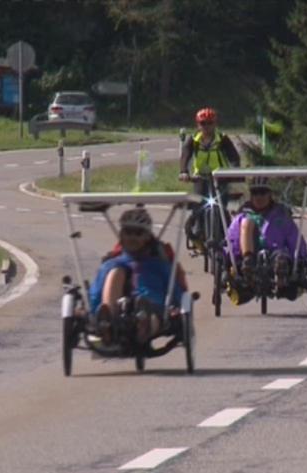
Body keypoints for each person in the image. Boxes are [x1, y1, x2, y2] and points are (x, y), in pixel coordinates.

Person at [89, 208, 187, 344]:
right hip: (119, 309)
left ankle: (143, 328)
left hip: (153, 307)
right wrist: (91, 312)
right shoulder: (112, 265)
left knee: (151, 315)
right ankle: (108, 325)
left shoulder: (159, 265)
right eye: (128, 232)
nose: (132, 237)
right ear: (121, 235)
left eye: (138, 233)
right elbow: (96, 292)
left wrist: (178, 306)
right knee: (115, 272)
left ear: (147, 236)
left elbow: (176, 291)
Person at [225, 178, 307, 304]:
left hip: (276, 251)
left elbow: (294, 237)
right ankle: (249, 270)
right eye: (255, 193)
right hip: (249, 255)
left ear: (270, 194)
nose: (259, 197)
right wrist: (231, 258)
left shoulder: (281, 214)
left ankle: (280, 281)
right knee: (247, 222)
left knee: (281, 260)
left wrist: (300, 256)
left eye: (263, 192)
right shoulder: (242, 216)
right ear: (251, 195)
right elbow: (232, 240)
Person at [178, 107, 242, 249]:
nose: (206, 127)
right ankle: (197, 232)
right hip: (200, 177)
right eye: (203, 123)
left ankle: (227, 235)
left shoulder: (222, 139)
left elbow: (233, 156)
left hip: (220, 177)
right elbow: (185, 155)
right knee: (198, 203)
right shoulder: (193, 140)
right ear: (198, 125)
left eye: (210, 123)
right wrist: (183, 171)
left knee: (222, 206)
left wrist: (235, 170)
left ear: (215, 124)